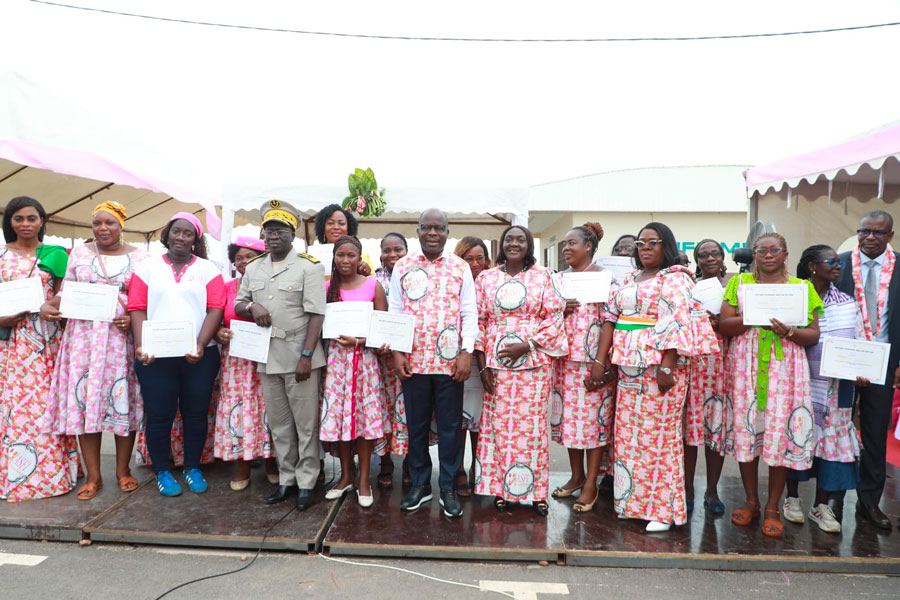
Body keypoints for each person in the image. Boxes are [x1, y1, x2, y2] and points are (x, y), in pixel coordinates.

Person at [605, 222, 718, 532]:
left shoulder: (675, 278)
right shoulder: (630, 278)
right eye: (640, 242)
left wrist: (667, 366)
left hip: (659, 368)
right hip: (628, 367)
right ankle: (632, 503)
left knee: (659, 439)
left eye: (652, 242)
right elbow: (613, 316)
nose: (644, 247)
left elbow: (677, 321)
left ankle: (664, 510)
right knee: (630, 438)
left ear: (665, 246)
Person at [42, 201, 147, 500]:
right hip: (83, 341)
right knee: (85, 402)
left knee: (121, 402)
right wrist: (48, 305)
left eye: (109, 222)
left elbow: (144, 299)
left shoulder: (141, 257)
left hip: (120, 341)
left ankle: (123, 471)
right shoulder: (79, 253)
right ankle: (93, 476)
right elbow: (65, 292)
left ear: (121, 225)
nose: (103, 228)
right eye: (97, 223)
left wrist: (132, 318)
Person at [720, 233, 822, 538]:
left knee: (780, 435)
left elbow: (813, 334)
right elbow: (725, 325)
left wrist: (789, 331)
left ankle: (773, 507)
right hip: (746, 368)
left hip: (785, 369)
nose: (767, 255)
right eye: (761, 250)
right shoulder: (739, 284)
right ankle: (751, 501)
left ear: (785, 254)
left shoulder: (801, 288)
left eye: (774, 250)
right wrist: (753, 318)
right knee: (747, 431)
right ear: (754, 254)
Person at [235, 200, 326, 511]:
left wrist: (306, 356)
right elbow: (238, 304)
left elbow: (316, 314)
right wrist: (252, 306)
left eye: (280, 231)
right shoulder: (254, 267)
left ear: (292, 234)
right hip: (268, 355)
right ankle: (287, 479)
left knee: (306, 425)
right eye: (269, 231)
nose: (273, 236)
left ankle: (307, 481)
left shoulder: (309, 267)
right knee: (279, 424)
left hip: (300, 355)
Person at [128, 212, 226, 497]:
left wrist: (200, 344)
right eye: (176, 231)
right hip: (156, 357)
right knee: (160, 415)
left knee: (196, 414)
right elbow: (137, 308)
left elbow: (216, 309)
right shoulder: (147, 268)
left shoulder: (208, 269)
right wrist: (142, 346)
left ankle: (192, 467)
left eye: (188, 233)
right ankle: (162, 471)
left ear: (195, 240)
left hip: (200, 356)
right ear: (167, 234)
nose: (181, 237)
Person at [475, 225, 568, 516]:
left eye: (520, 239)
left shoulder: (545, 276)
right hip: (496, 364)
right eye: (509, 239)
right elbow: (479, 321)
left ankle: (536, 493)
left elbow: (555, 317)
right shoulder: (486, 278)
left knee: (533, 430)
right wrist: (482, 365)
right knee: (499, 428)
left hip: (534, 363)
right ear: (501, 244)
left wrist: (527, 345)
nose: (514, 244)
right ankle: (502, 490)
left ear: (529, 245)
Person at [388, 209, 475, 518]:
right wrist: (397, 352)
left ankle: (448, 487)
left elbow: (469, 312)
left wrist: (466, 352)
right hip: (414, 361)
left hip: (450, 365)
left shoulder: (461, 267)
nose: (433, 233)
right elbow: (395, 310)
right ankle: (421, 485)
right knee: (417, 427)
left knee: (450, 428)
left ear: (448, 232)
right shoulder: (403, 266)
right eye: (427, 227)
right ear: (418, 231)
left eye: (439, 228)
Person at [0, 196, 79, 501]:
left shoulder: (54, 255)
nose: (25, 224)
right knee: (13, 408)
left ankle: (51, 475)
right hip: (10, 343)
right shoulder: (2, 256)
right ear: (10, 222)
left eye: (31, 218)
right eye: (18, 218)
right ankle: (14, 475)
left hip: (46, 342)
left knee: (46, 405)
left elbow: (65, 294)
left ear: (42, 221)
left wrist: (53, 306)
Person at [783, 245, 866, 533]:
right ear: (812, 266)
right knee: (797, 437)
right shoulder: (794, 297)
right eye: (830, 261)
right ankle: (792, 499)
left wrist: (862, 369)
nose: (838, 265)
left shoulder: (847, 303)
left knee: (832, 445)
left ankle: (821, 506)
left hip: (836, 388)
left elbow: (859, 341)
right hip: (798, 383)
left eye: (838, 261)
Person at [836, 210, 900, 530]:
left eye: (878, 232)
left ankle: (870, 502)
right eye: (864, 231)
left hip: (884, 362)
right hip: (843, 361)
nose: (870, 237)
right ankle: (831, 497)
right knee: (836, 429)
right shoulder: (838, 264)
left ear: (890, 235)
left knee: (875, 433)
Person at [550, 223, 616, 512]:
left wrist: (600, 363)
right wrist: (558, 308)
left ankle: (591, 483)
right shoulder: (558, 279)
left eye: (572, 243)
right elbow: (545, 313)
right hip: (563, 363)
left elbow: (610, 321)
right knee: (569, 423)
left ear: (588, 246)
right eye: (564, 244)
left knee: (594, 424)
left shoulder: (605, 278)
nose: (566, 248)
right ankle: (576, 476)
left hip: (592, 364)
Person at [321, 236, 389, 507]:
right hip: (337, 364)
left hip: (364, 362)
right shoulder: (327, 288)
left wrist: (359, 341)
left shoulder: (373, 286)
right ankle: (346, 476)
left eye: (351, 255)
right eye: (340, 255)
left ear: (360, 258)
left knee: (363, 420)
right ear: (334, 257)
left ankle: (364, 481)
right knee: (341, 419)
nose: (345, 260)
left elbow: (382, 329)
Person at [212, 236, 278, 491]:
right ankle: (242, 465)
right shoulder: (227, 287)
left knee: (268, 407)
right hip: (237, 361)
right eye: (238, 258)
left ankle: (271, 461)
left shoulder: (272, 284)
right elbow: (216, 317)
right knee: (239, 409)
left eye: (250, 257)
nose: (243, 262)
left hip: (267, 356)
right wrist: (219, 332)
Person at [683, 239, 729, 515]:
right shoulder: (689, 286)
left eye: (714, 253)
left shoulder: (734, 285)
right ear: (697, 259)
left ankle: (712, 490)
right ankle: (687, 487)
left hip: (723, 363)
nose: (709, 258)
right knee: (689, 430)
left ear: (723, 257)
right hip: (694, 363)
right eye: (703, 255)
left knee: (716, 428)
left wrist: (722, 322)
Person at [453, 236, 492, 496]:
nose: (475, 264)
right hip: (460, 356)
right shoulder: (453, 280)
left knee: (480, 419)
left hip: (485, 360)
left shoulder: (493, 283)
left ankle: (477, 466)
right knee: (458, 418)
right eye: (469, 258)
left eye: (480, 258)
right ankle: (458, 470)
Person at [374, 232, 408, 488]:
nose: (392, 254)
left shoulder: (415, 276)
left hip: (410, 356)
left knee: (410, 409)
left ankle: (409, 461)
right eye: (387, 250)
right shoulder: (372, 280)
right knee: (384, 408)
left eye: (398, 249)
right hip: (382, 359)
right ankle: (385, 460)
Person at [313, 204, 374, 275]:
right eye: (330, 223)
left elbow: (372, 280)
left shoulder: (362, 256)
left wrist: (366, 274)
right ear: (323, 228)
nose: (336, 227)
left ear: (348, 228)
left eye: (341, 224)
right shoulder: (313, 254)